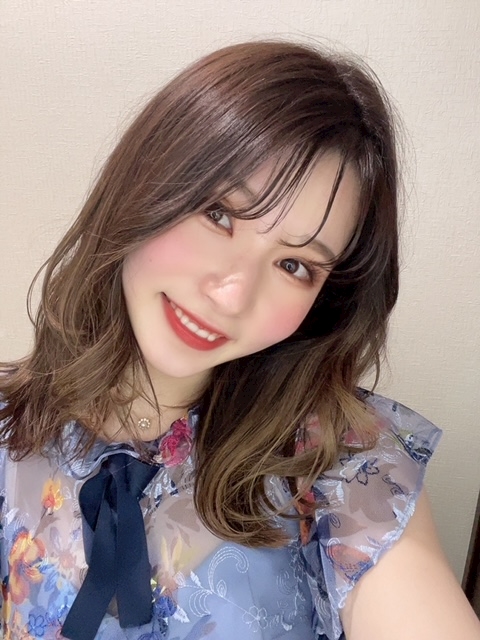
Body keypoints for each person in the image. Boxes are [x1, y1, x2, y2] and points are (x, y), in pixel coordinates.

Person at [0, 40, 478, 640]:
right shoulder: (10, 429)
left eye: (294, 265)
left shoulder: (339, 461)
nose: (231, 295)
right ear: (143, 183)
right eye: (219, 214)